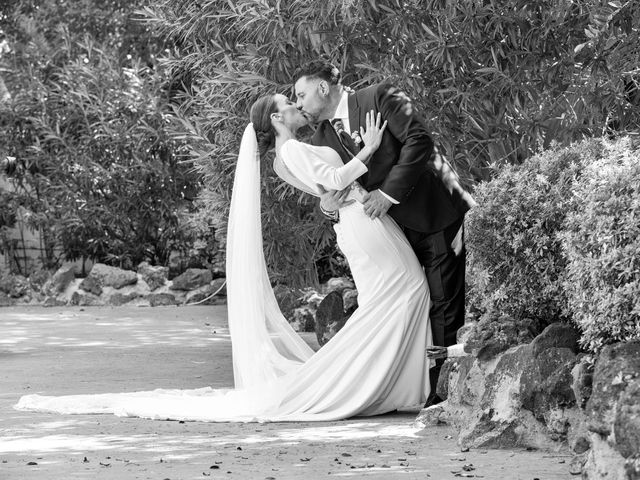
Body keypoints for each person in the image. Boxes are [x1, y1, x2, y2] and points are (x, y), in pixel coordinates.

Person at [14, 93, 433, 422]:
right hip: (360, 219)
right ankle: (367, 384)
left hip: (359, 219)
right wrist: (371, 147)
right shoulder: (290, 153)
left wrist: (334, 195)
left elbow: (327, 193)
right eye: (288, 104)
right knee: (406, 291)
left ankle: (386, 383)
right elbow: (336, 179)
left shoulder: (292, 153)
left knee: (399, 296)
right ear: (275, 119)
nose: (294, 105)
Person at [293, 61, 477, 406]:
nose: (299, 104)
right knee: (412, 304)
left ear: (322, 88)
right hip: (390, 233)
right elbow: (332, 191)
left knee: (444, 304)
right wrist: (328, 207)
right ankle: (414, 386)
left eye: (301, 94)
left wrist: (388, 193)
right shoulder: (320, 138)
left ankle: (442, 394)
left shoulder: (380, 96)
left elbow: (419, 140)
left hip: (433, 210)